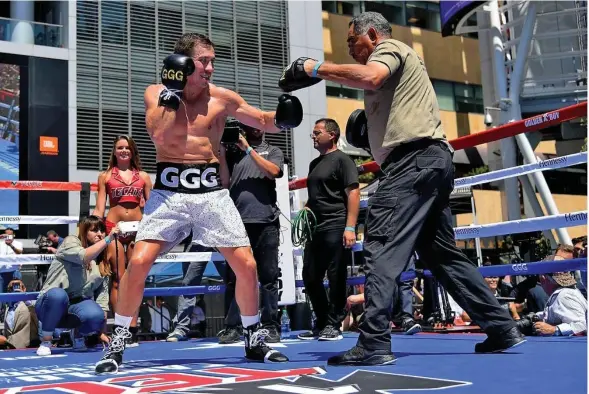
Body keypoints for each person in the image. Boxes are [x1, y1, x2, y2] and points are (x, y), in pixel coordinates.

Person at [279, 11, 524, 365]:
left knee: (379, 239)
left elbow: (372, 77)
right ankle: (501, 327)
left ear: (374, 35)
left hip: (413, 162)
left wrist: (312, 68)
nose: (349, 49)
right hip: (431, 162)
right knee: (440, 254)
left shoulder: (390, 49)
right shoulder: (397, 68)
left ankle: (374, 341)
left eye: (353, 41)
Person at [95, 32, 302, 374]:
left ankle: (253, 337)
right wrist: (173, 93)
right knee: (139, 261)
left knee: (246, 265)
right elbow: (158, 134)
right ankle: (118, 343)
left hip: (211, 193)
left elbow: (261, 120)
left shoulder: (222, 98)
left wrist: (282, 117)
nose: (210, 67)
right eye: (204, 61)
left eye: (212, 61)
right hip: (169, 191)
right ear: (185, 64)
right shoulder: (156, 94)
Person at [216, 122, 285, 344]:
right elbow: (224, 182)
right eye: (250, 125)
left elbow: (274, 172)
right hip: (237, 223)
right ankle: (233, 326)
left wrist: (248, 149)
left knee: (268, 277)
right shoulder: (234, 153)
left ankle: (270, 325)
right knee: (235, 277)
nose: (255, 128)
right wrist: (224, 154)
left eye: (258, 124)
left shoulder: (272, 150)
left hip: (266, 221)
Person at [295, 118, 360, 342]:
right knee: (310, 275)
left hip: (336, 222)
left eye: (317, 132)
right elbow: (316, 195)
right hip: (315, 227)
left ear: (331, 135)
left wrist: (350, 227)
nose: (313, 136)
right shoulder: (314, 164)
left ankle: (334, 323)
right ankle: (322, 322)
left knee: (335, 275)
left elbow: (353, 193)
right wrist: (306, 208)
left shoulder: (343, 160)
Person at [92, 135, 152, 347]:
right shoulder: (105, 176)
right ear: (115, 151)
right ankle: (120, 328)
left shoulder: (143, 176)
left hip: (138, 229)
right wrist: (92, 230)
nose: (124, 151)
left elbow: (151, 206)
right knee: (117, 278)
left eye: (127, 148)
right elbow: (100, 207)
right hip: (113, 229)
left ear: (132, 151)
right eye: (120, 148)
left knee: (134, 278)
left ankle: (133, 328)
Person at [35, 216, 118, 356]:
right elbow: (83, 256)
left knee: (96, 314)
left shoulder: (102, 262)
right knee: (58, 295)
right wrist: (108, 239)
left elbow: (102, 299)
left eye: (102, 231)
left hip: (74, 306)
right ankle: (46, 341)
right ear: (84, 232)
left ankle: (78, 335)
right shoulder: (71, 242)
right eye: (94, 230)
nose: (100, 234)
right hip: (48, 305)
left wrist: (101, 332)